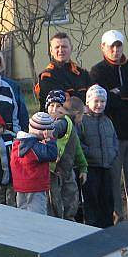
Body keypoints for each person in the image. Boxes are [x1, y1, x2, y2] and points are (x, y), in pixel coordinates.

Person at [89, 30, 128, 221]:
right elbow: (106, 101)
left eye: (118, 46)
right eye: (111, 46)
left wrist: (120, 91)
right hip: (112, 135)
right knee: (113, 180)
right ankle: (118, 219)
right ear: (103, 47)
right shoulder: (97, 71)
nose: (115, 50)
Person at [79, 85, 119, 228]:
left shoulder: (107, 121)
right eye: (96, 101)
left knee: (107, 198)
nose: (99, 105)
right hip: (90, 167)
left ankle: (108, 226)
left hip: (106, 165)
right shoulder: (82, 121)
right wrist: (90, 153)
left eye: (102, 101)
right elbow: (78, 142)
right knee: (92, 199)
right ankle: (93, 226)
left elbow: (114, 140)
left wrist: (113, 152)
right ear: (88, 102)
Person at [45, 90, 87, 220]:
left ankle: (68, 223)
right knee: (56, 202)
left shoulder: (66, 122)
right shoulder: (60, 122)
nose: (54, 109)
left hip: (64, 170)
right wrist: (50, 134)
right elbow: (56, 129)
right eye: (51, 106)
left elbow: (77, 149)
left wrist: (83, 167)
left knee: (69, 199)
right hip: (54, 170)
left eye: (58, 106)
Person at [11, 112, 58, 214]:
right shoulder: (35, 148)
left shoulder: (18, 143)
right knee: (38, 216)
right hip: (35, 188)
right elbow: (53, 154)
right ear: (44, 132)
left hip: (20, 187)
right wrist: (50, 139)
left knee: (23, 213)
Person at [35, 32, 92, 111]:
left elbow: (94, 97)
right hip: (57, 121)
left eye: (64, 47)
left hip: (83, 119)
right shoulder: (46, 76)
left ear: (71, 48)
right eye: (57, 47)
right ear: (51, 51)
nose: (61, 50)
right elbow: (63, 103)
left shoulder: (82, 73)